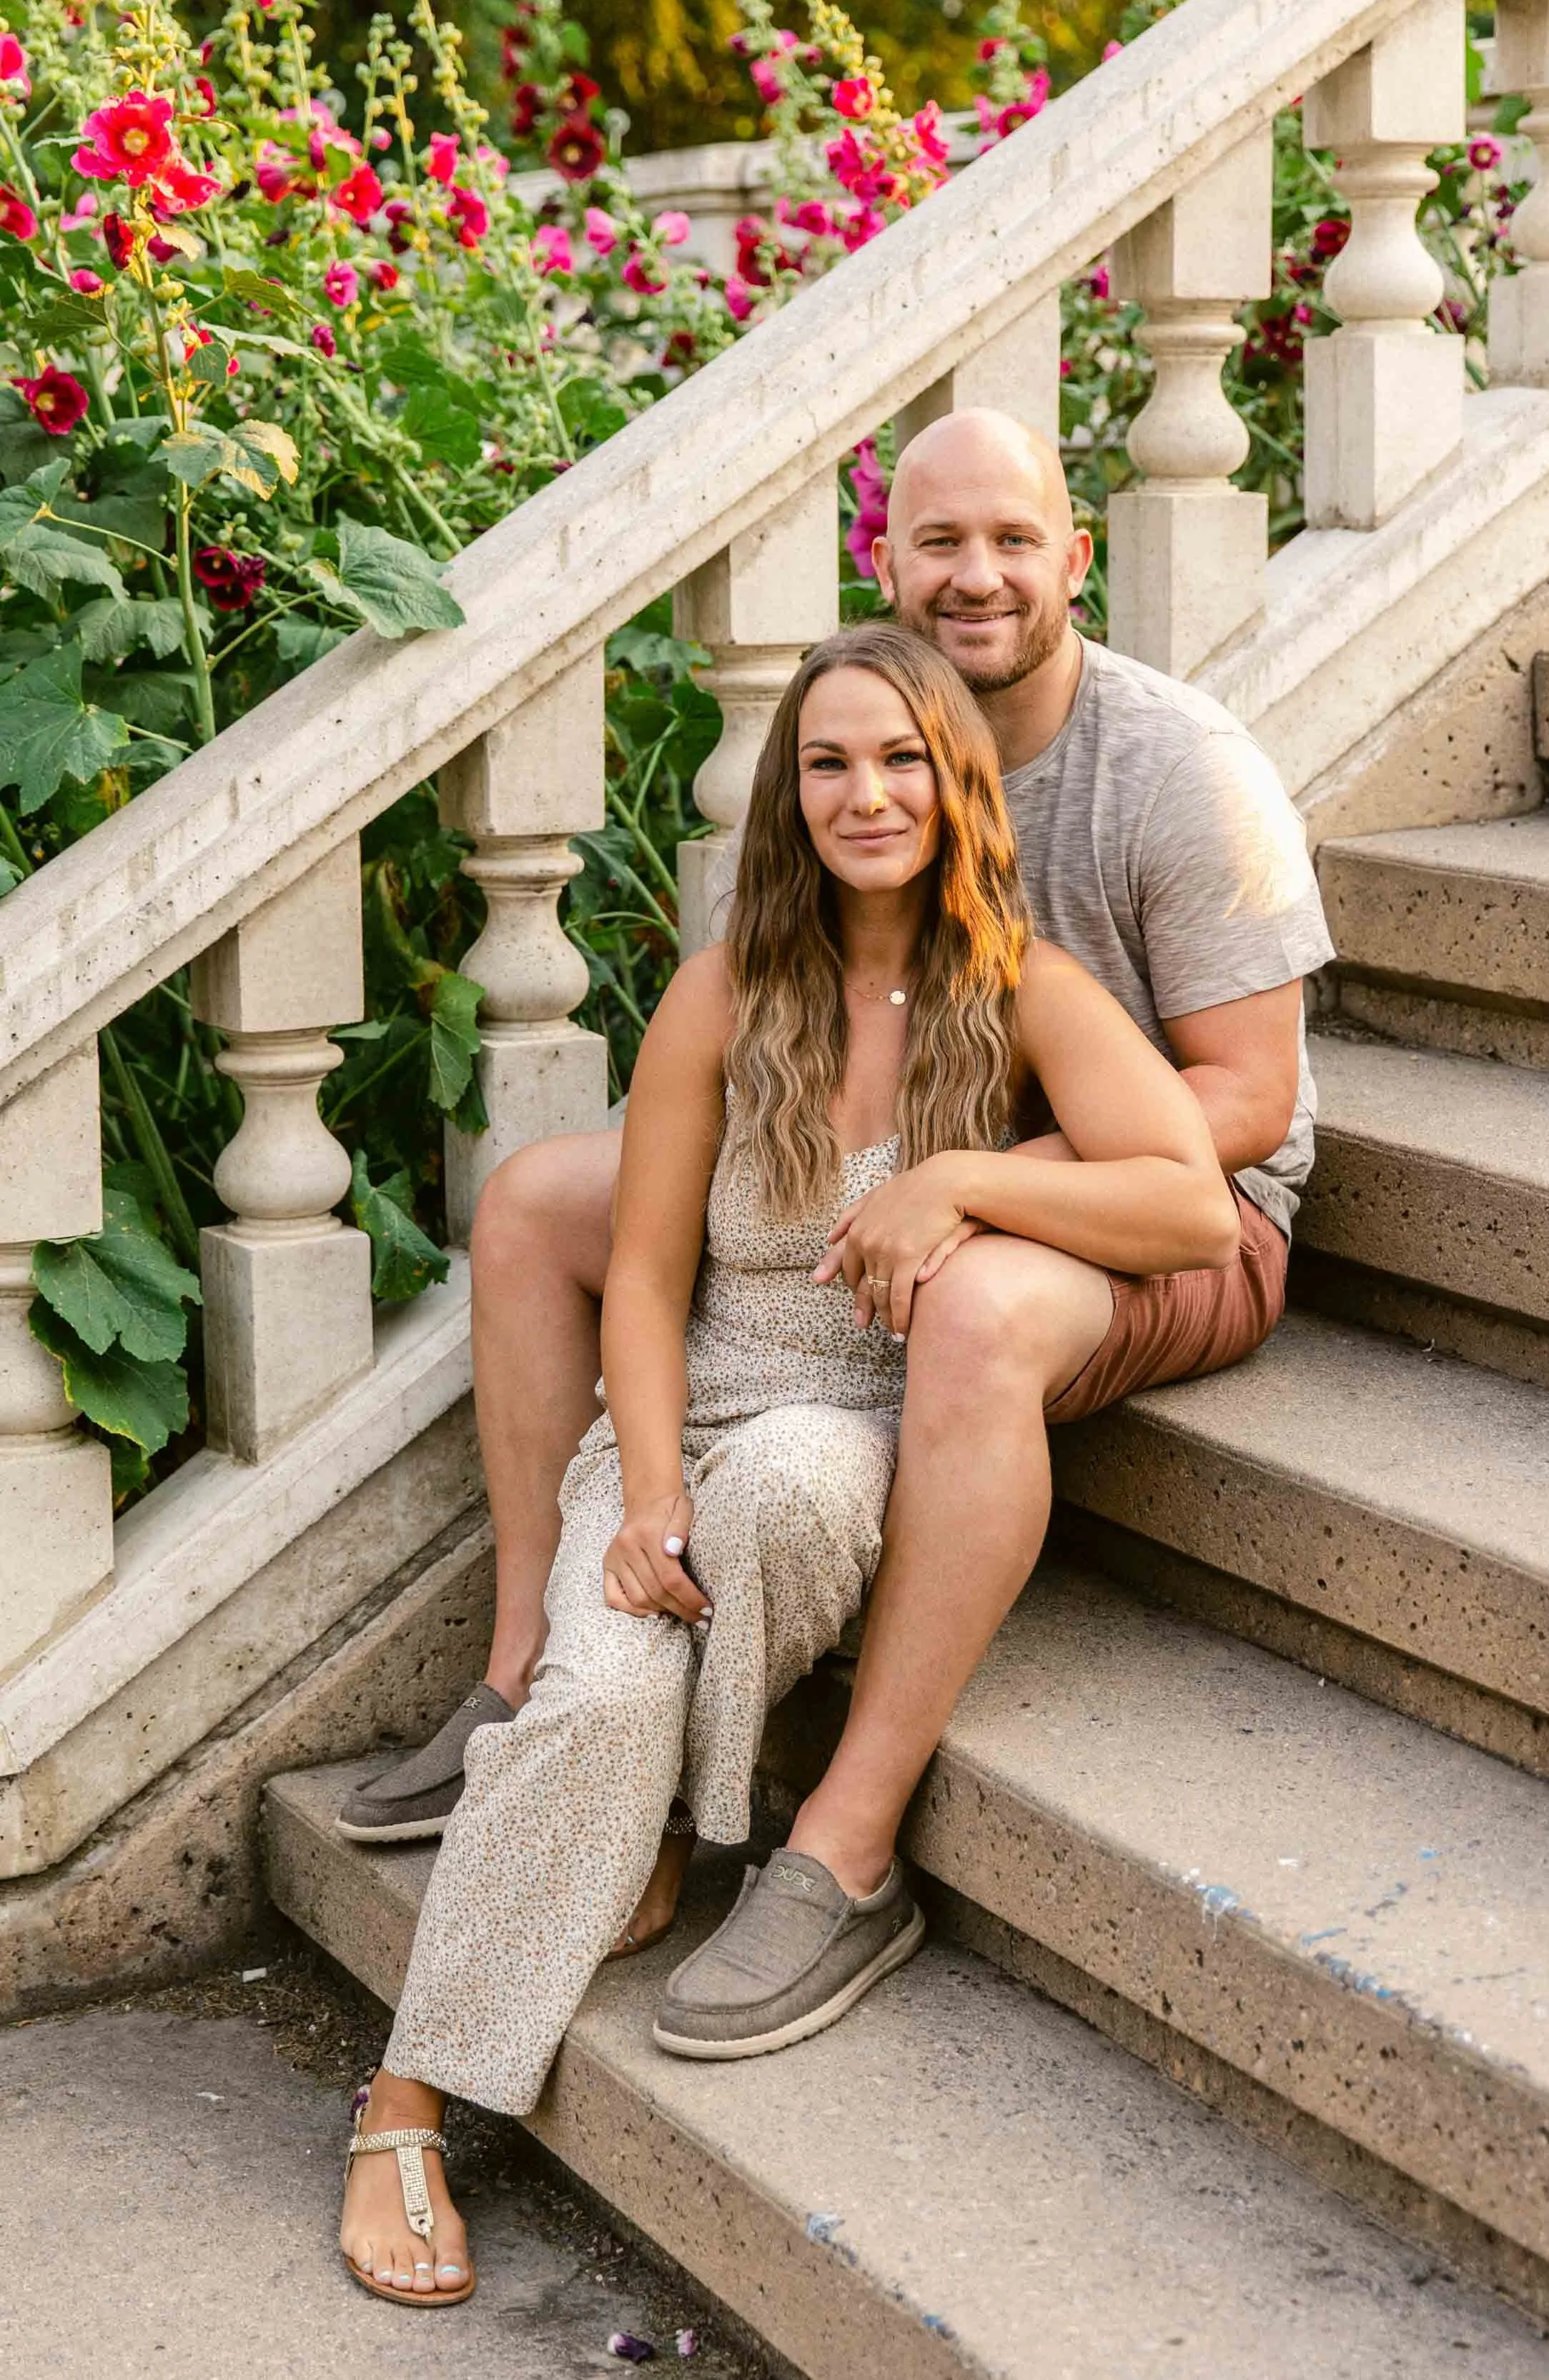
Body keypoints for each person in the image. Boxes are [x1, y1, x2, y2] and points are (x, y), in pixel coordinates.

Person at [337, 405, 1332, 2033]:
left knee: (982, 1301)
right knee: (533, 1207)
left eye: (1013, 539)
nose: (977, 574)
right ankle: (527, 1665)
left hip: (1166, 1202)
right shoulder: (852, 747)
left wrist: (964, 1178)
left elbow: (1245, 1107)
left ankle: (845, 1846)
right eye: (938, 541)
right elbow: (787, 1028)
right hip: (923, 1154)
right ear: (886, 564)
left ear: (1074, 557)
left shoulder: (1175, 773)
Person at [337, 620, 1239, 2304]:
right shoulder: (724, 989)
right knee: (591, 1698)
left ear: (954, 781)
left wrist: (959, 1185)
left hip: (857, 1424)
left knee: (801, 1485)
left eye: (899, 756)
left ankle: (670, 1833)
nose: (864, 791)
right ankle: (406, 2101)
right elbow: (654, 1275)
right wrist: (647, 1482)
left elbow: (1187, 1201)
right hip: (693, 1420)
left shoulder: (1023, 985)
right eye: (828, 761)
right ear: (790, 792)